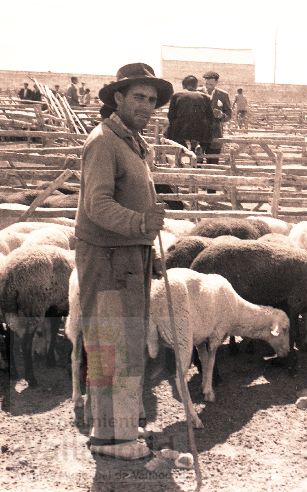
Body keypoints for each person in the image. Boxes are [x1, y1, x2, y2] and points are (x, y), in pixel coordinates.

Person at [74, 62, 172, 460]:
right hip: (108, 259)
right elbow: (96, 205)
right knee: (111, 348)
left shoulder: (130, 142)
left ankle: (121, 431)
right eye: (139, 97)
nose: (147, 106)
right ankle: (109, 439)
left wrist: (145, 247)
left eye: (152, 100)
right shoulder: (103, 142)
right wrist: (141, 223)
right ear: (118, 98)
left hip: (128, 257)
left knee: (126, 345)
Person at [166, 75, 214, 156]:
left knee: (171, 132)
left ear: (184, 85)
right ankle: (198, 146)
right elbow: (210, 117)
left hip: (181, 130)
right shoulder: (205, 97)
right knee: (206, 132)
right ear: (196, 85)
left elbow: (171, 115)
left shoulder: (177, 95)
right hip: (200, 132)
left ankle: (184, 151)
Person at [200, 71, 231, 163]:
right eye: (206, 84)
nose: (208, 86)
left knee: (213, 163)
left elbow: (229, 115)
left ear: (216, 83)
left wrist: (221, 115)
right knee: (196, 163)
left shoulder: (223, 95)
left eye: (211, 84)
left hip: (215, 136)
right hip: (198, 136)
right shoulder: (196, 92)